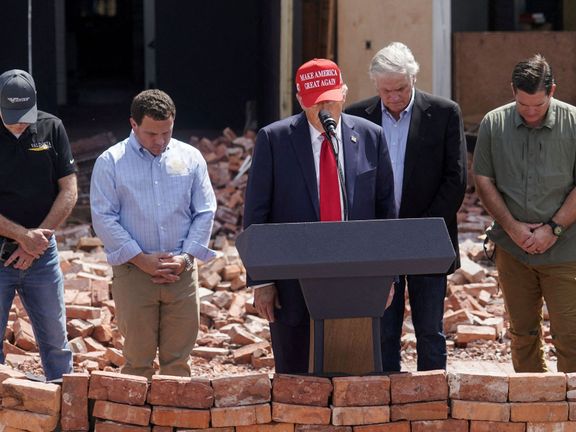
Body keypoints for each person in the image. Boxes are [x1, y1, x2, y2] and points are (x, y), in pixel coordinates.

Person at [243, 58, 396, 374]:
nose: (323, 110)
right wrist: (262, 279)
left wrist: (388, 275)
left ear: (344, 93)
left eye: (330, 100)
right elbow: (257, 214)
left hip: (356, 275)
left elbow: (385, 211)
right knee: (295, 373)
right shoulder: (275, 140)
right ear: (300, 101)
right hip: (292, 279)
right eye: (314, 103)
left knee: (354, 370)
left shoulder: (371, 136)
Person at [346, 42, 467, 371]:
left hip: (427, 236)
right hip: (378, 240)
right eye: (386, 90)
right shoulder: (357, 117)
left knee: (430, 330)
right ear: (375, 85)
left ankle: (431, 401)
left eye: (400, 88)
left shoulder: (443, 113)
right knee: (383, 329)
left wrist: (420, 229)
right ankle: (387, 403)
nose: (394, 97)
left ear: (413, 79)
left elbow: (454, 180)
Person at [90, 89, 216, 379]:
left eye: (167, 132)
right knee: (137, 363)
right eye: (151, 134)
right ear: (133, 124)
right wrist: (140, 259)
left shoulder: (191, 158)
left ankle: (175, 421)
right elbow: (103, 217)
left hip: (181, 273)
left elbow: (205, 211)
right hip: (134, 274)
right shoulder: (111, 162)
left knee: (178, 365)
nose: (159, 141)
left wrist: (185, 258)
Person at [473, 54, 576, 373]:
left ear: (553, 91)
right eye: (523, 105)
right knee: (522, 335)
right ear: (513, 91)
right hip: (513, 250)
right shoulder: (494, 123)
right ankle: (533, 410)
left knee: (571, 335)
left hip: (565, 250)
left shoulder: (574, 123)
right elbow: (483, 179)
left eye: (538, 105)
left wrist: (553, 229)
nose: (530, 113)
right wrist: (513, 228)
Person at [0, 69, 77, 381]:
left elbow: (69, 190)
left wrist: (37, 241)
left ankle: (63, 418)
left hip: (42, 256)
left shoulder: (51, 127)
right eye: (12, 115)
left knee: (56, 344)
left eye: (25, 114)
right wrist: (22, 236)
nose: (20, 122)